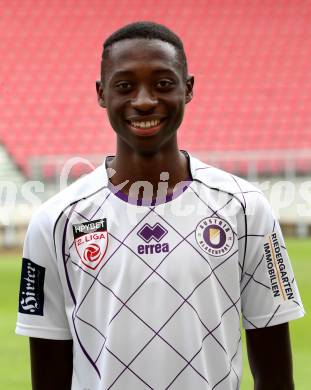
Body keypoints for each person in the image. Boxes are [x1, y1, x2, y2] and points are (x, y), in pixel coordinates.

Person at [16, 21, 304, 390]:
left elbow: (276, 375)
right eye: (125, 86)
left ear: (188, 89)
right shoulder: (54, 221)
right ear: (102, 94)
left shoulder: (246, 209)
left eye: (163, 84)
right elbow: (48, 376)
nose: (144, 100)